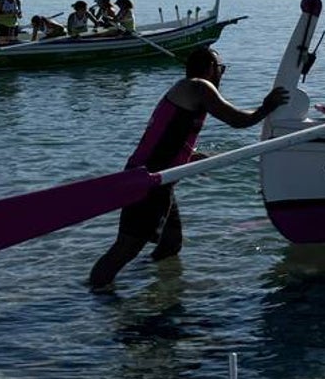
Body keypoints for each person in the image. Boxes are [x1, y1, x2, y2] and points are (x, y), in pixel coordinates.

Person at [88, 46, 289, 290]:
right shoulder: (198, 87)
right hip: (149, 182)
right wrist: (267, 106)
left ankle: (159, 288)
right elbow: (238, 120)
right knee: (126, 247)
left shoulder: (186, 90)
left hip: (163, 180)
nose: (221, 74)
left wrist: (189, 155)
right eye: (220, 68)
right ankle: (97, 294)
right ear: (209, 68)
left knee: (171, 243)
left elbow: (165, 135)